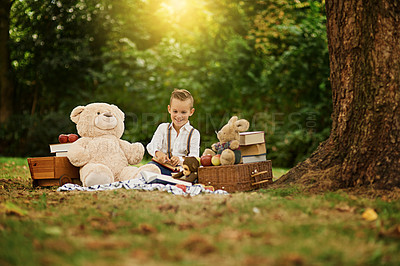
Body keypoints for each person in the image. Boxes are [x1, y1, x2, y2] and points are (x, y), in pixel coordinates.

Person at [146, 89, 200, 175]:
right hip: (161, 166)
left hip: (181, 170)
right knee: (148, 169)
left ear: (191, 112)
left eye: (183, 112)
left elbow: (194, 158)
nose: (179, 116)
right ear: (169, 109)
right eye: (175, 111)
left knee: (191, 175)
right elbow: (151, 146)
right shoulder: (163, 128)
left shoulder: (194, 133)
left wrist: (180, 159)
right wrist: (157, 153)